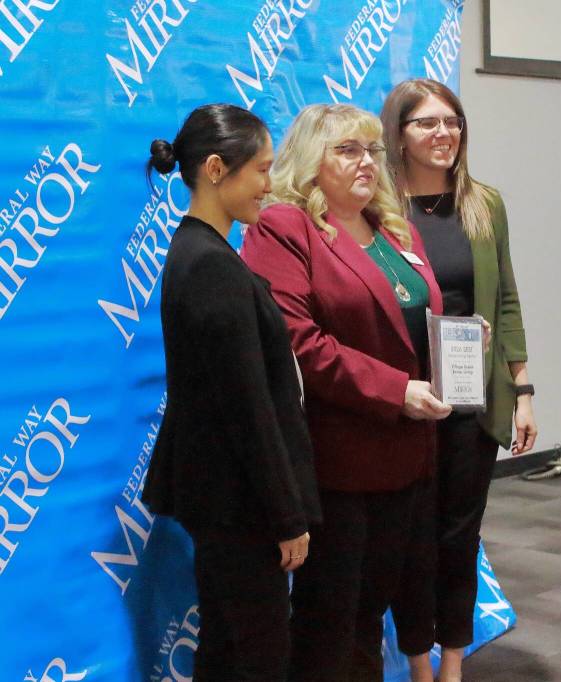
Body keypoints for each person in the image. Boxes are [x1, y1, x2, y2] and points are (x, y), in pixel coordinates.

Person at [240, 103, 448, 682]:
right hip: (335, 463)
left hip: (406, 456)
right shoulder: (282, 228)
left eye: (373, 150)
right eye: (348, 150)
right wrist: (396, 391)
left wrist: (457, 345)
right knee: (328, 621)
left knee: (370, 614)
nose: (367, 162)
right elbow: (297, 344)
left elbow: (416, 321)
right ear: (311, 159)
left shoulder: (393, 227)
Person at [141, 104, 321, 680]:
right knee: (257, 653)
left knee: (228, 647)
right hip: (239, 503)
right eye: (262, 171)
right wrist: (286, 514)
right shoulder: (211, 265)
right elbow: (247, 407)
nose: (270, 186)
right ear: (217, 169)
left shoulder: (196, 251)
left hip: (223, 496)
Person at [381, 78, 537, 682]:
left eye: (452, 120)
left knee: (460, 536)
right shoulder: (379, 209)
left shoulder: (484, 203)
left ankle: (452, 665)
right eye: (427, 123)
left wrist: (522, 389)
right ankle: (417, 661)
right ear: (398, 133)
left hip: (474, 400)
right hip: (406, 402)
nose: (443, 133)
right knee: (413, 537)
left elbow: (507, 303)